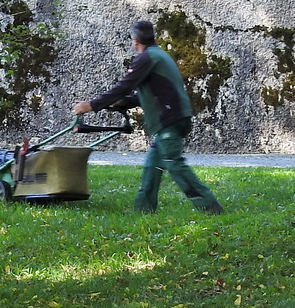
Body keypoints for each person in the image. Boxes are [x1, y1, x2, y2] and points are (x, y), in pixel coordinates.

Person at [73, 20, 223, 214]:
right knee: (153, 165)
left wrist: (91, 105)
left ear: (135, 41)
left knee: (173, 163)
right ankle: (143, 210)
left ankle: (210, 206)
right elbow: (155, 92)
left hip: (170, 119)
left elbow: (124, 86)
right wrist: (125, 102)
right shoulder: (160, 56)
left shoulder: (146, 58)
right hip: (176, 116)